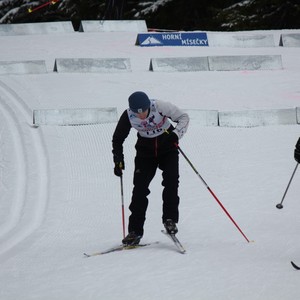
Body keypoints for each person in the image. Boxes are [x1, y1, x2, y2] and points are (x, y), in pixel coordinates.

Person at [112, 91, 189, 245]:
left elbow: (184, 118)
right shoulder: (128, 115)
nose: (141, 116)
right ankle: (135, 231)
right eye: (137, 113)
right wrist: (118, 160)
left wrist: (175, 134)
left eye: (144, 112)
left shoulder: (160, 106)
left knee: (171, 182)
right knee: (139, 189)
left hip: (167, 147)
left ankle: (170, 220)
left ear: (148, 106)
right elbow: (118, 138)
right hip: (145, 151)